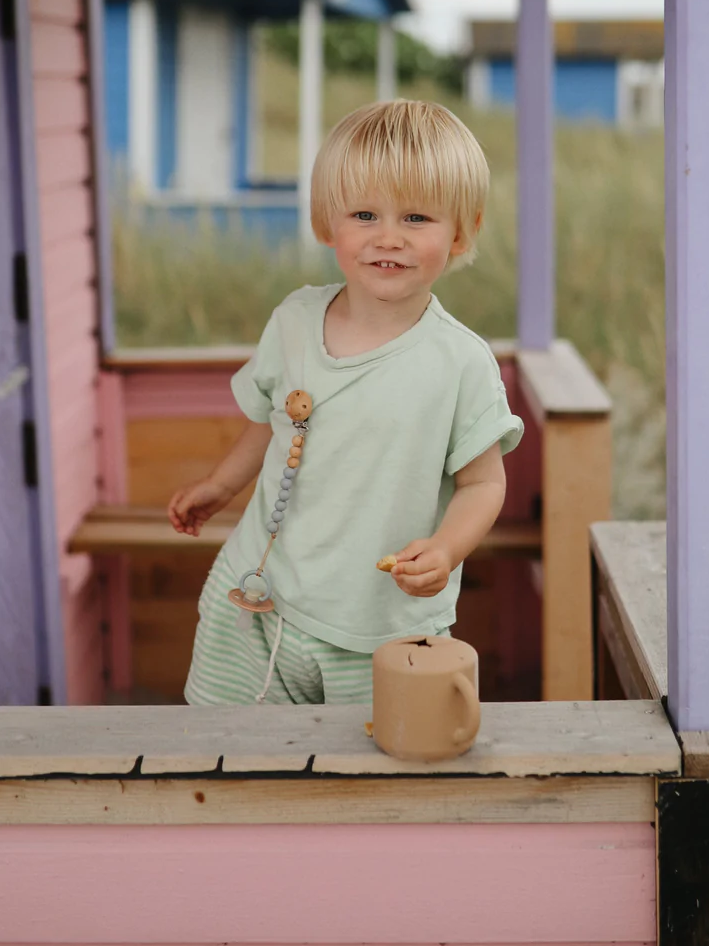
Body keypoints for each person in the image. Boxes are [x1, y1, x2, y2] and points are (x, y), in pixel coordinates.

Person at [168, 99, 524, 706]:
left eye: (417, 218)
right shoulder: (295, 321)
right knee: (229, 757)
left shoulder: (461, 363)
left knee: (372, 780)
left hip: (382, 624)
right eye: (364, 214)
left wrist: (446, 548)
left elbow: (483, 485)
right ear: (327, 222)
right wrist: (220, 486)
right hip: (258, 598)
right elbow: (270, 422)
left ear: (461, 231)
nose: (389, 237)